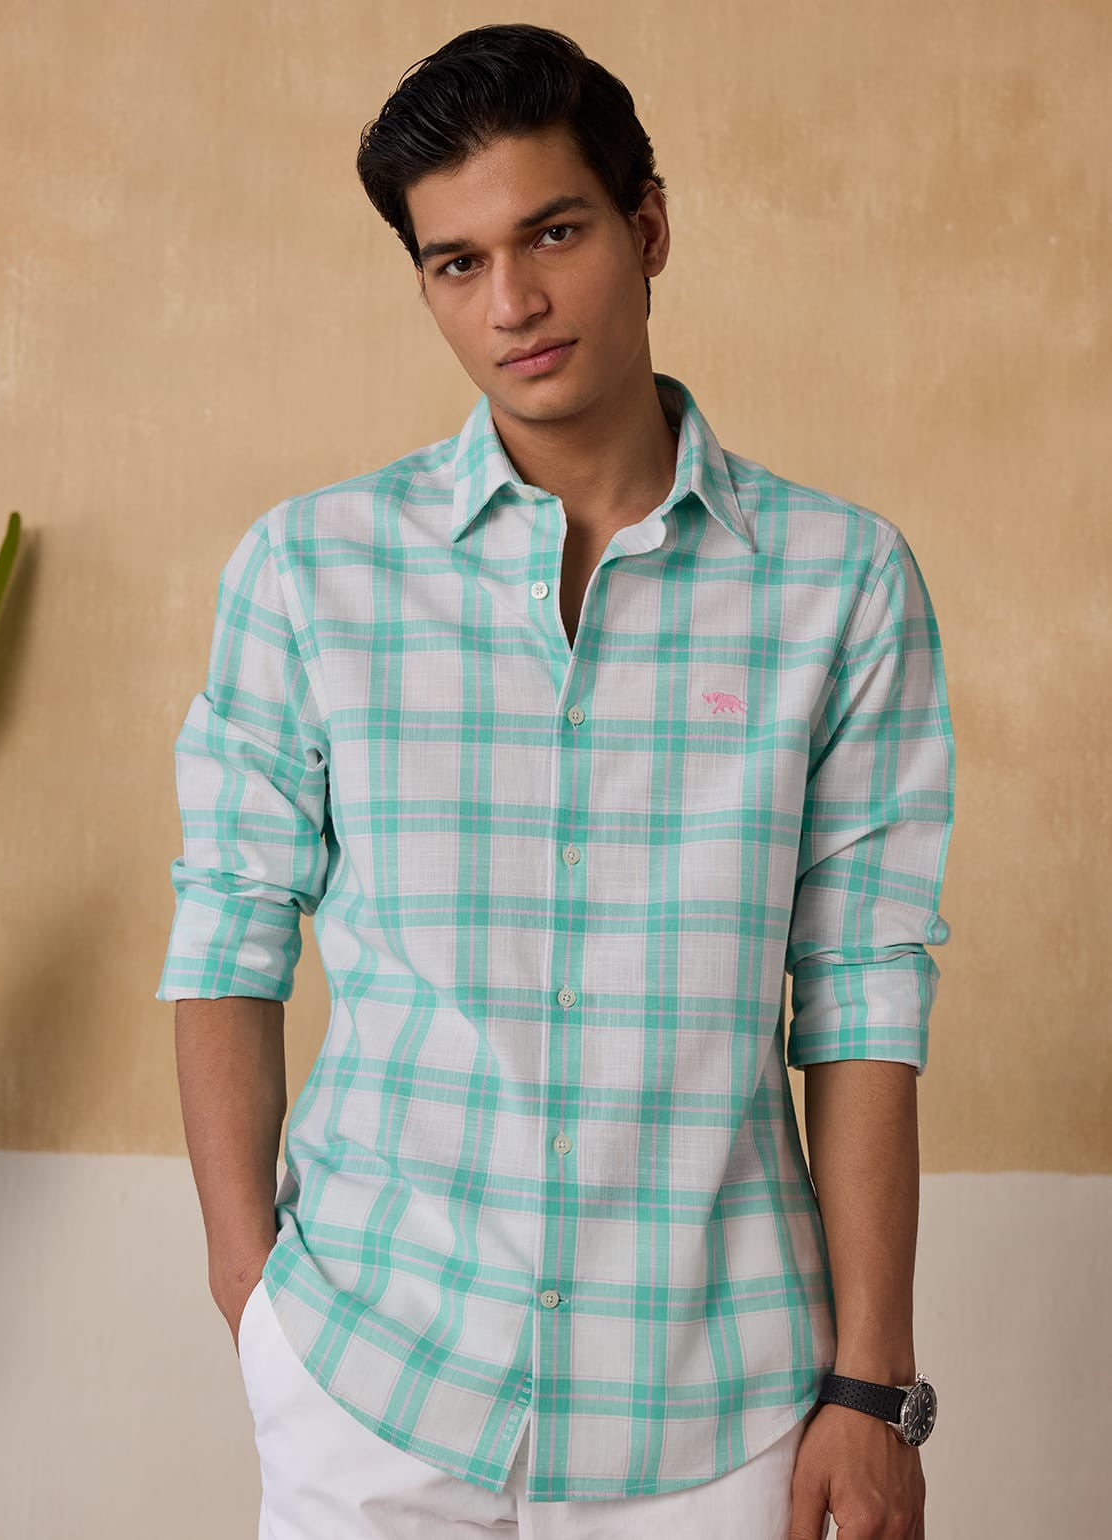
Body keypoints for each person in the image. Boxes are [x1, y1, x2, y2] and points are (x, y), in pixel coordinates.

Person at [156, 22, 953, 1540]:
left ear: (647, 229)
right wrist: (251, 1293)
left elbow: (863, 993)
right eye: (456, 263)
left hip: (718, 1403)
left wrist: (874, 1387)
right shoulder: (309, 570)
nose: (511, 302)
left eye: (554, 234)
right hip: (372, 1376)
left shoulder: (842, 585)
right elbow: (228, 934)